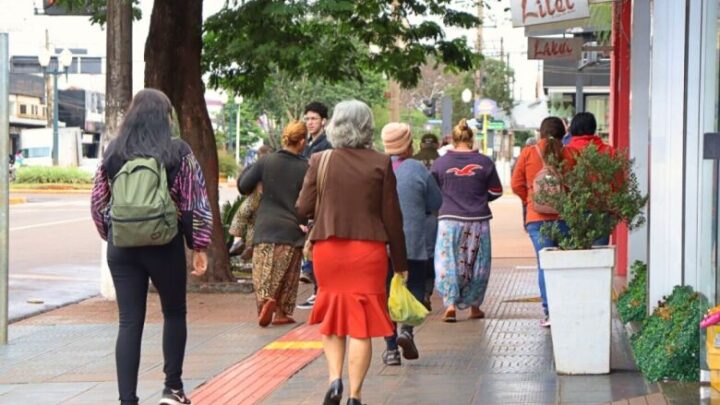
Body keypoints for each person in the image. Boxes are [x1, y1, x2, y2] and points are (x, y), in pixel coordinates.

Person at [90, 89, 211, 405]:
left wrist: (113, 234)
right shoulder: (177, 152)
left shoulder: (114, 152)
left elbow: (98, 202)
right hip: (163, 244)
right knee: (173, 312)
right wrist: (198, 246)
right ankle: (172, 389)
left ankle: (126, 399)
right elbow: (193, 202)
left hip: (123, 247)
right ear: (165, 118)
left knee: (129, 321)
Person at [296, 100, 407, 405]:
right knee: (361, 324)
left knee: (332, 314)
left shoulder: (320, 160)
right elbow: (392, 218)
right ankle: (355, 395)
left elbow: (302, 208)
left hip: (328, 250)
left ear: (334, 126)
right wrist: (400, 263)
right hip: (367, 251)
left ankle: (334, 380)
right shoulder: (380, 163)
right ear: (367, 127)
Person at [380, 123, 442, 366]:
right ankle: (407, 329)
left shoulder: (376, 167)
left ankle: (391, 349)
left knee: (386, 292)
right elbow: (436, 200)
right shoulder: (416, 168)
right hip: (413, 240)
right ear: (407, 144)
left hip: (382, 243)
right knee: (415, 286)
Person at [431, 119, 503, 323]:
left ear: (453, 140)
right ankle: (474, 307)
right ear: (472, 139)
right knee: (478, 263)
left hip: (448, 220)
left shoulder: (440, 163)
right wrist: (480, 198)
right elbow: (496, 191)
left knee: (447, 261)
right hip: (478, 220)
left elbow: (433, 191)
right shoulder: (485, 162)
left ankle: (450, 304)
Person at [238, 121, 309, 327]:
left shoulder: (267, 161)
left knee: (263, 271)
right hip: (291, 229)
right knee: (288, 275)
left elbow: (243, 185)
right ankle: (281, 312)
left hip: (265, 227)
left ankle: (265, 301)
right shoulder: (306, 167)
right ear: (302, 141)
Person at [511, 117, 568, 327]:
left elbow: (516, 183)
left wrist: (531, 198)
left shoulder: (529, 153)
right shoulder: (569, 153)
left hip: (537, 219)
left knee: (544, 265)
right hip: (564, 218)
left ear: (540, 133)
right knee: (564, 265)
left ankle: (549, 312)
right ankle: (564, 308)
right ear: (563, 133)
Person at [297, 101, 333, 310]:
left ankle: (320, 291)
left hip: (321, 202)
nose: (310, 123)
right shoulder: (307, 145)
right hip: (309, 200)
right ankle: (317, 290)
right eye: (307, 119)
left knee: (315, 248)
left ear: (324, 121)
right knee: (311, 248)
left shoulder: (326, 145)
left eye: (314, 119)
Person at [563, 112, 615, 246]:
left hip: (572, 211)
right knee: (599, 259)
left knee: (574, 259)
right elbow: (618, 181)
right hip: (602, 210)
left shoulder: (565, 152)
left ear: (573, 128)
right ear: (594, 128)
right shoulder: (609, 151)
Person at [229, 145, 273, 259]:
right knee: (249, 221)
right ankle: (245, 244)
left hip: (267, 205)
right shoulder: (253, 169)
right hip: (257, 201)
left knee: (253, 225)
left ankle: (247, 244)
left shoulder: (273, 170)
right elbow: (242, 184)